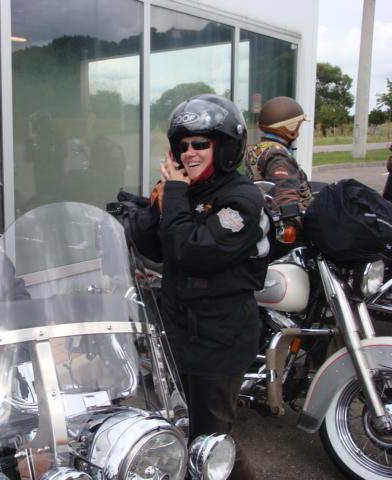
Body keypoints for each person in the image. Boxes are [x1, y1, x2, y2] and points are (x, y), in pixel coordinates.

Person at [126, 94, 270, 480]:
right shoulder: (186, 189)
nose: (189, 153)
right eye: (183, 146)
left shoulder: (241, 199)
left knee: (211, 442)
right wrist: (158, 199)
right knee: (180, 428)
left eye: (200, 144)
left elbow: (192, 252)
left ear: (224, 148)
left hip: (218, 339)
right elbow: (152, 246)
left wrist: (174, 196)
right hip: (179, 332)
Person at [245, 96, 313, 213]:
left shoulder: (257, 149)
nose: (298, 131)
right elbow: (287, 204)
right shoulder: (278, 157)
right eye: (298, 126)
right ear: (290, 127)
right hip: (300, 218)